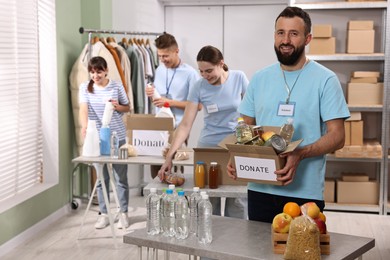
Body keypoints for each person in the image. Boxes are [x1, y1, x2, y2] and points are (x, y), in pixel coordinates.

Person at [228, 6, 350, 224]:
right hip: (260, 187)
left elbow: (338, 136)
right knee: (258, 253)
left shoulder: (326, 80)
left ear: (307, 38)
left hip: (305, 194)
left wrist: (300, 153)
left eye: (294, 34)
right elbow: (245, 125)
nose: (285, 40)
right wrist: (236, 155)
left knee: (302, 254)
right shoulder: (259, 78)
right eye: (280, 33)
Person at [159, 45, 249, 219]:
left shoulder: (239, 78)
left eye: (209, 71)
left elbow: (252, 114)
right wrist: (169, 156)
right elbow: (185, 125)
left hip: (235, 146)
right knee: (207, 200)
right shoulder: (199, 86)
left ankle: (234, 245)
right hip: (209, 148)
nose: (205, 76)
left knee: (238, 201)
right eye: (201, 71)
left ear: (221, 64)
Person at [79, 56, 131, 229]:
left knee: (120, 177)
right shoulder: (85, 88)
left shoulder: (116, 86)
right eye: (92, 72)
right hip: (97, 138)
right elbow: (83, 109)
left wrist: (116, 106)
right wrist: (84, 128)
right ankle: (104, 213)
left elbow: (127, 107)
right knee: (101, 178)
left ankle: (123, 212)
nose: (95, 75)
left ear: (106, 70)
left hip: (118, 137)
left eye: (99, 71)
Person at [145, 33, 200, 177]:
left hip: (179, 128)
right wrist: (152, 95)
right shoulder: (159, 70)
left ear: (176, 51)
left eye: (166, 56)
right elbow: (159, 100)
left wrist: (169, 102)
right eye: (160, 56)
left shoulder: (190, 74)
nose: (163, 60)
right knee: (156, 174)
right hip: (159, 128)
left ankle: (177, 200)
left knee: (174, 173)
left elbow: (198, 106)